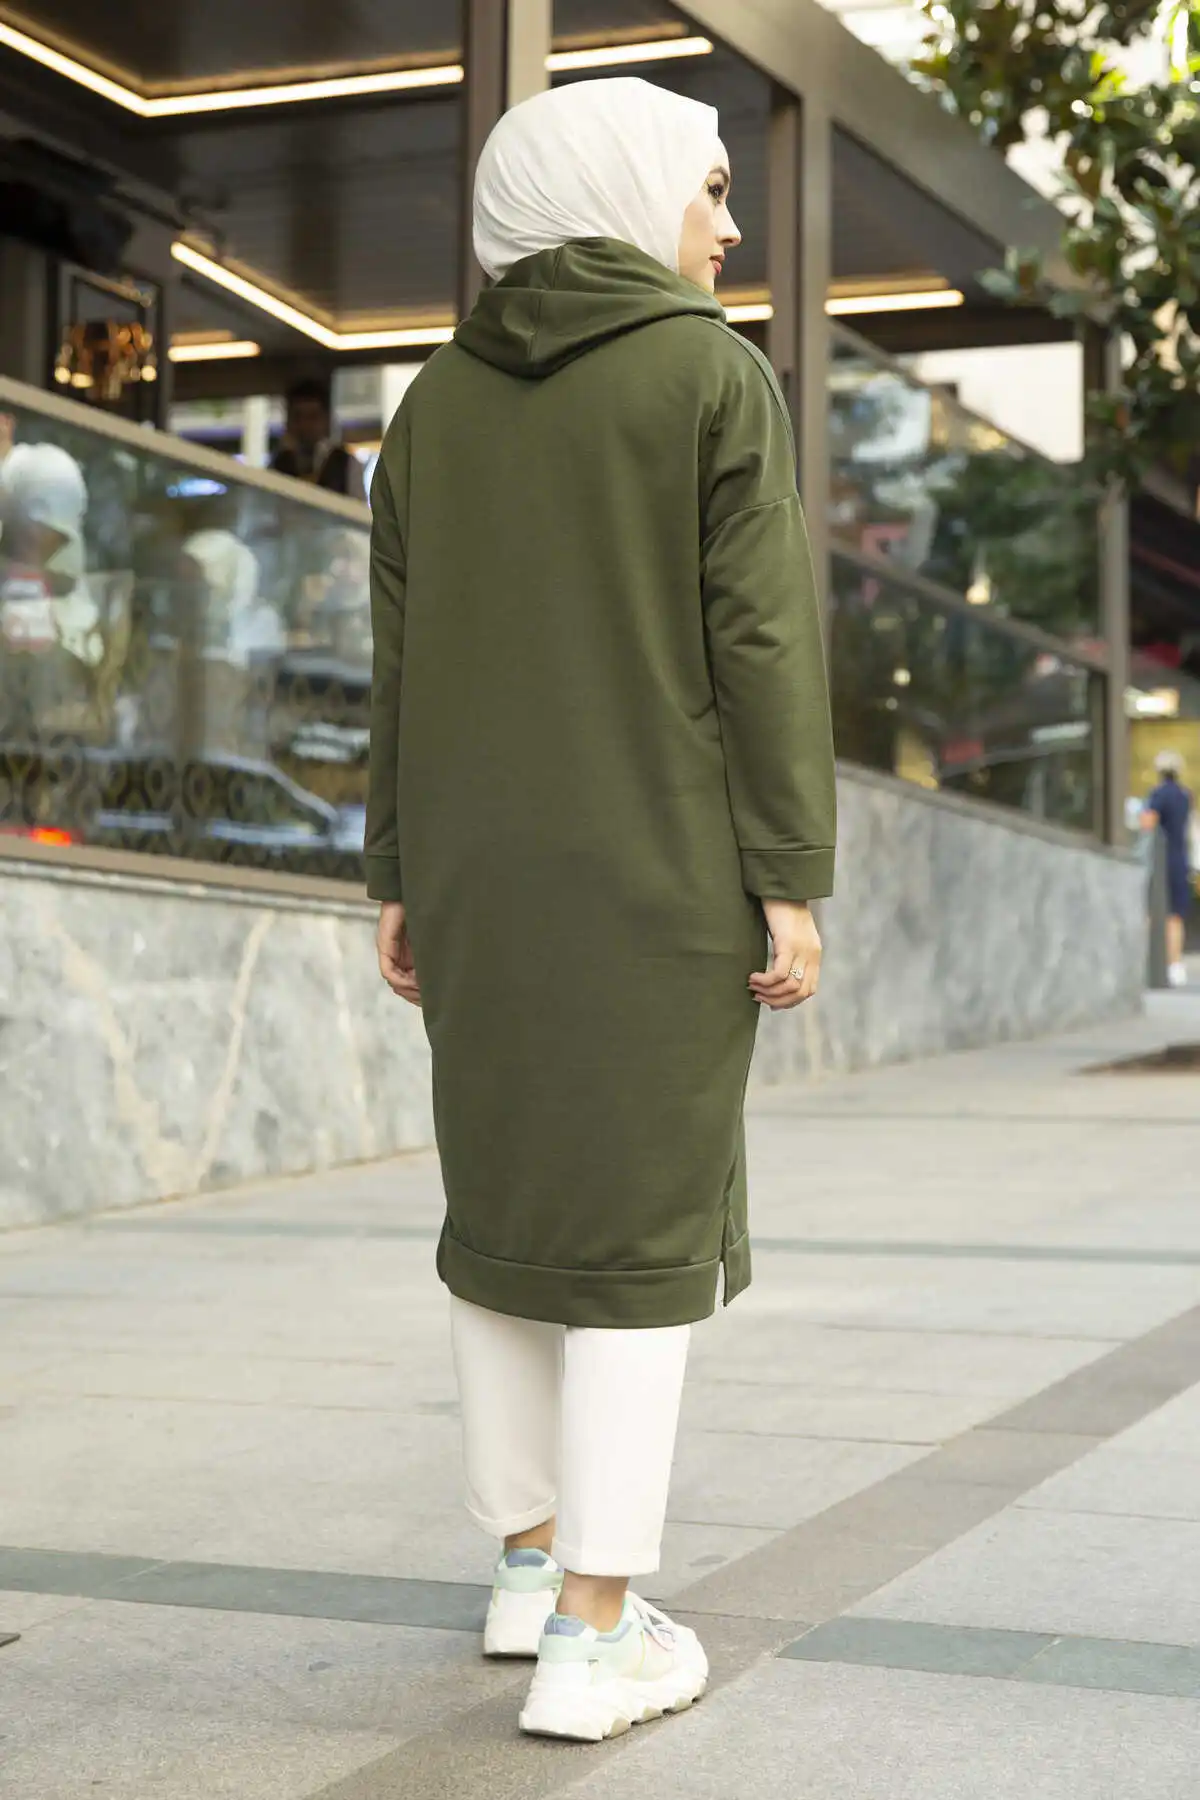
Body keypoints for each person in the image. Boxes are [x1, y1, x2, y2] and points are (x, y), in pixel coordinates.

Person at [365, 78, 836, 1745]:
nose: (730, 225)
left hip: (477, 878)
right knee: (640, 1235)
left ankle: (527, 1563)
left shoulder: (433, 403)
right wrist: (789, 873)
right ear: (625, 192)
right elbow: (761, 640)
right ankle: (597, 1629)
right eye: (709, 189)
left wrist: (397, 870)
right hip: (657, 873)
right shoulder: (712, 376)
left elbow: (400, 661)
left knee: (503, 1215)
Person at [1142, 750, 1194, 988]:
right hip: (1180, 857)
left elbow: (1148, 823)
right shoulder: (1185, 795)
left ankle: (1151, 962)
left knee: (1152, 912)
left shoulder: (1158, 794)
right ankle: (1175, 965)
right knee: (1175, 916)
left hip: (1160, 859)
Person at [269, 378, 366, 500]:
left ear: (326, 420)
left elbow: (357, 508)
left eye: (312, 417)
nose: (304, 425)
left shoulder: (346, 464)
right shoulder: (278, 464)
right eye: (297, 417)